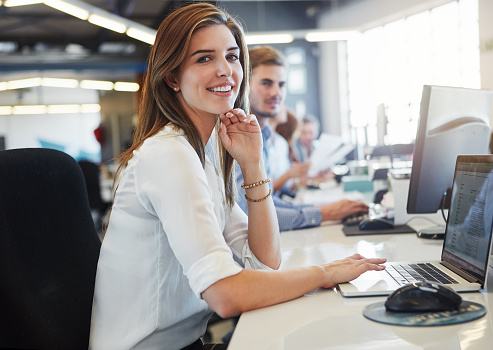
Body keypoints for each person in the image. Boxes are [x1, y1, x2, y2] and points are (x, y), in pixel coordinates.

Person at [89, 4, 386, 350]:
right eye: (204, 59)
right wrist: (324, 274)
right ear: (171, 77)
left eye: (232, 56)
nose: (225, 71)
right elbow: (225, 294)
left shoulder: (203, 154)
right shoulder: (168, 154)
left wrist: (253, 165)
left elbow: (263, 262)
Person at [236, 45, 369, 231]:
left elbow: (267, 202)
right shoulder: (237, 137)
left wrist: (321, 209)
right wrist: (326, 213)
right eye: (266, 83)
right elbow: (251, 213)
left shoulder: (264, 137)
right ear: (244, 84)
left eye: (281, 85)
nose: (276, 93)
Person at [268, 106, 309, 194]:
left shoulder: (281, 143)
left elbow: (286, 187)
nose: (284, 108)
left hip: (278, 199)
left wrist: (301, 180)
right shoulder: (258, 142)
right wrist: (289, 174)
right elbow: (263, 191)